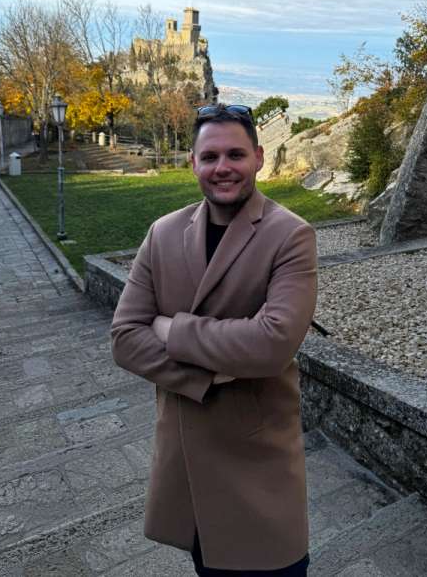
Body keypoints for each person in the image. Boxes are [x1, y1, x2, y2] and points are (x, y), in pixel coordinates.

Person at [110, 103, 317, 575]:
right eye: (210, 157)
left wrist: (169, 328)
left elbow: (272, 345)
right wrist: (220, 368)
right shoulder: (162, 233)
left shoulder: (291, 236)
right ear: (193, 163)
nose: (222, 168)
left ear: (259, 158)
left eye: (235, 155)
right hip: (187, 461)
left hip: (259, 464)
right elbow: (124, 339)